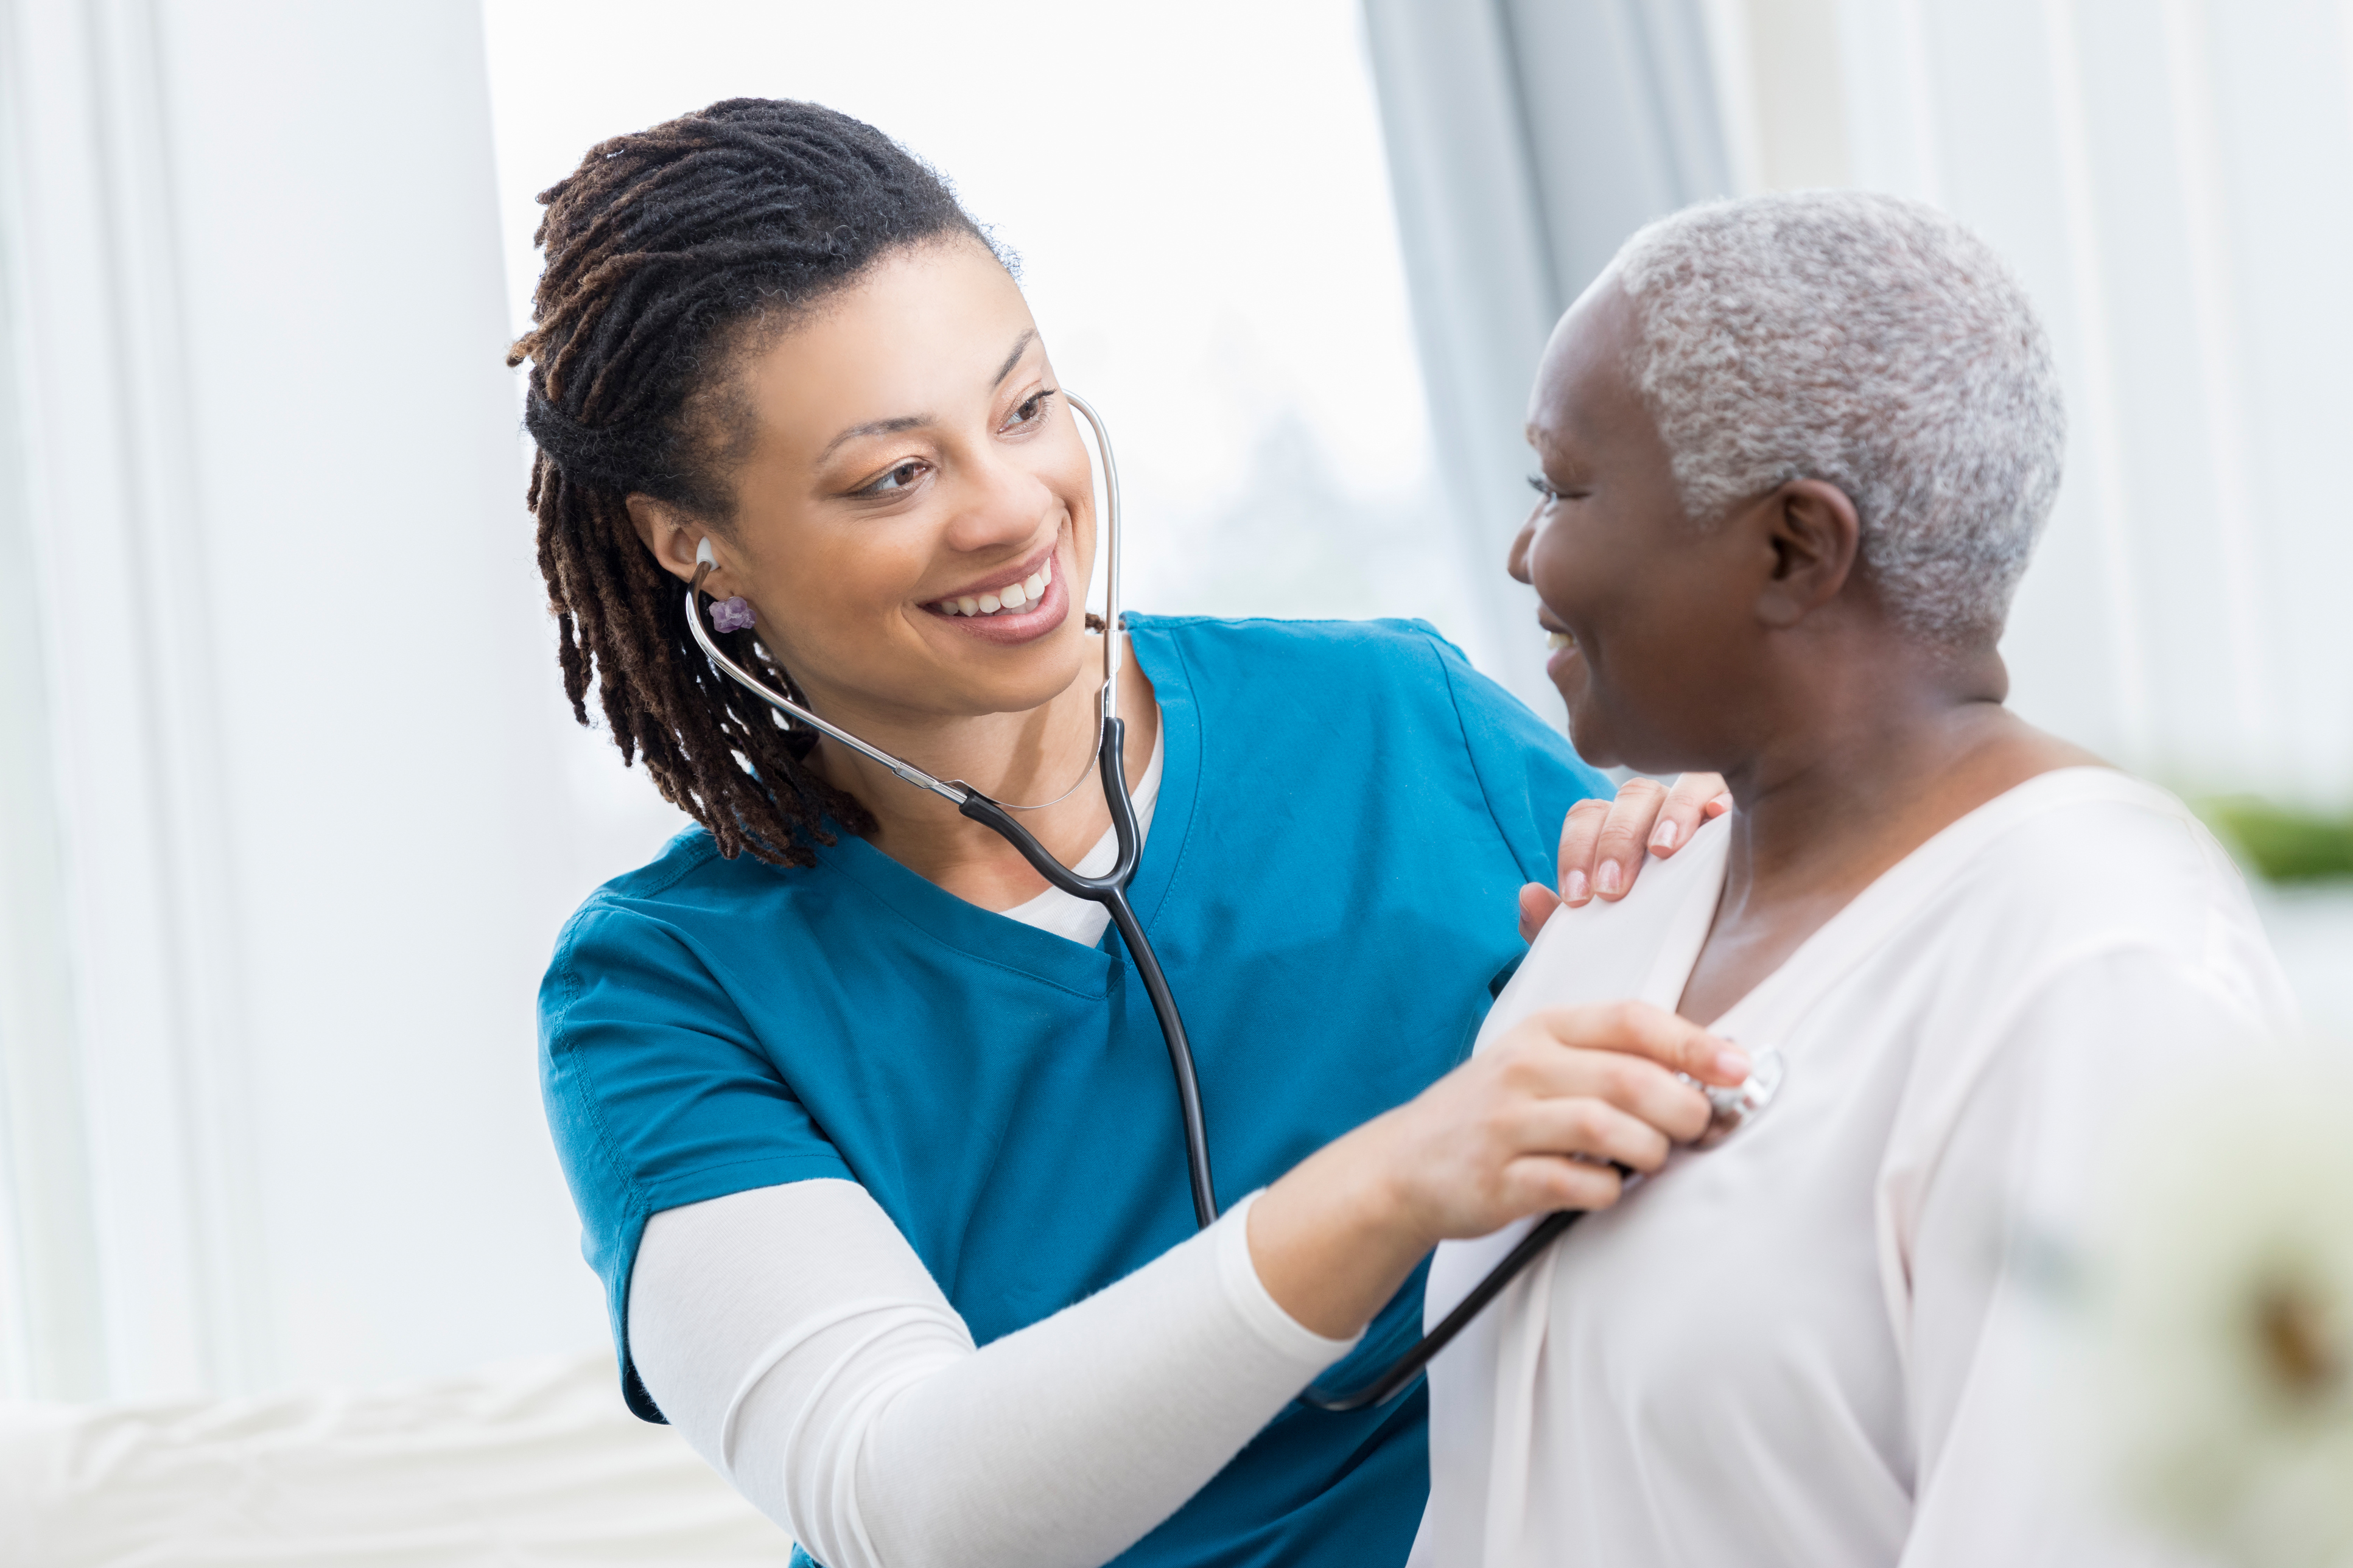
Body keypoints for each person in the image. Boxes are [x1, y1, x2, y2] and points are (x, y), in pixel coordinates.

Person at [515, 99, 1735, 1568]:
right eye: (896, 475)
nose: (1011, 510)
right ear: (690, 538)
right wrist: (1402, 1172)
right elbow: (906, 1504)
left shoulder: (1395, 721)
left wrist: (1730, 883)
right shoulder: (665, 991)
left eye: (1024, 408)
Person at [1414, 191, 2299, 1566]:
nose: (1525, 553)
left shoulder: (2098, 968)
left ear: (1794, 548)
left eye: (1563, 487)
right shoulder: (1627, 904)